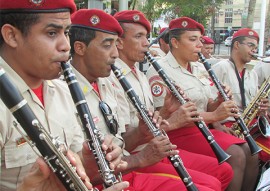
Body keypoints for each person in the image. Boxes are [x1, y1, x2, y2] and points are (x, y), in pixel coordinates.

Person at [69, 8, 232, 191]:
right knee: (211, 183)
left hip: (134, 159)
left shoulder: (119, 79)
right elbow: (79, 170)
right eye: (108, 45)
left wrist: (164, 113)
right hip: (123, 167)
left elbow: (129, 135)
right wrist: (167, 126)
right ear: (79, 48)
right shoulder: (104, 81)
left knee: (219, 176)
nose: (147, 43)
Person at [0, 1, 127, 191]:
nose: (66, 46)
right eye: (52, 33)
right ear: (12, 36)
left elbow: (77, 166)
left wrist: (91, 166)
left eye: (66, 33)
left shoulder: (63, 91)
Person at [146, 17, 258, 191]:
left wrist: (219, 102)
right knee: (236, 155)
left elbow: (208, 105)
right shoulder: (160, 69)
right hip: (178, 133)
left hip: (202, 129)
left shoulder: (199, 67)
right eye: (192, 40)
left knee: (251, 152)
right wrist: (215, 116)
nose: (199, 44)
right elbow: (165, 117)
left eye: (199, 39)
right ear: (175, 42)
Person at [211, 28, 270, 163]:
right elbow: (209, 102)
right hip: (230, 126)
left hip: (250, 125)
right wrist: (217, 125)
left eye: (255, 47)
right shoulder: (221, 68)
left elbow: (253, 104)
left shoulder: (252, 74)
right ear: (237, 45)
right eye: (250, 46)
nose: (254, 50)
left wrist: (262, 109)